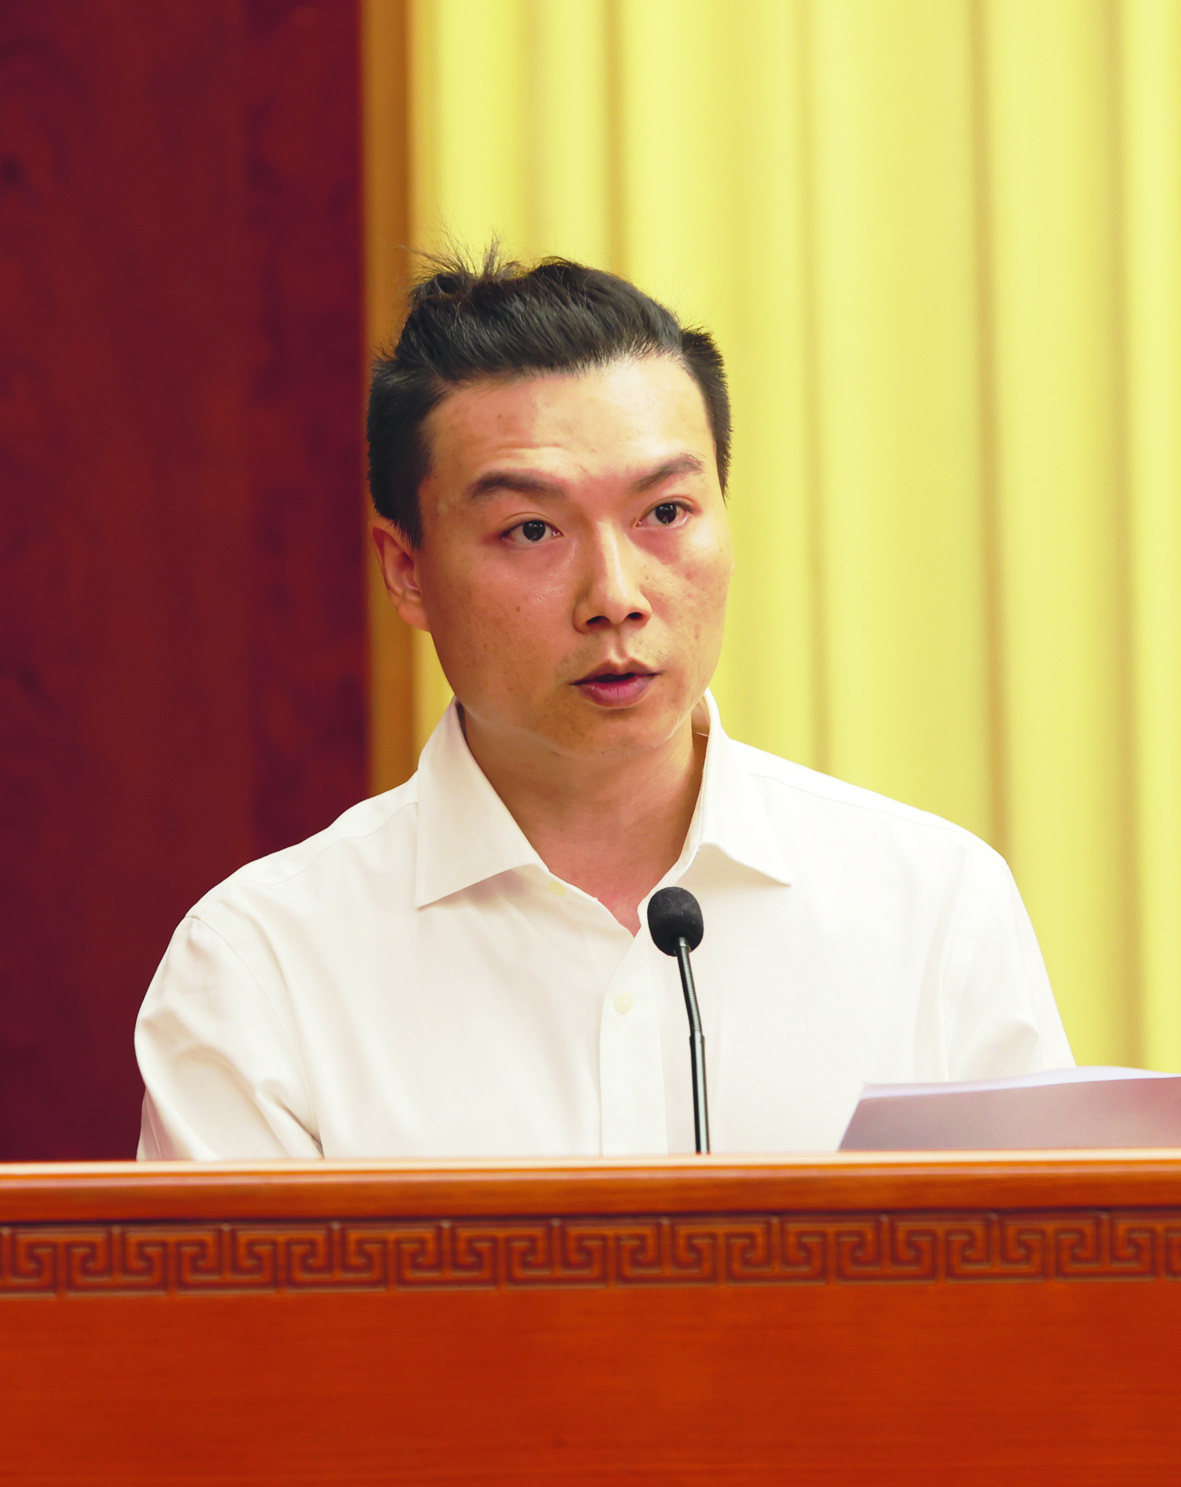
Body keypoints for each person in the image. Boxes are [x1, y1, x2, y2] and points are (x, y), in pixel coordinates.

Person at [135, 250, 1072, 1160]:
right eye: (530, 529)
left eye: (664, 513)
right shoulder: (263, 968)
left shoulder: (932, 910)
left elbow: (1054, 1261)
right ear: (407, 569)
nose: (614, 596)